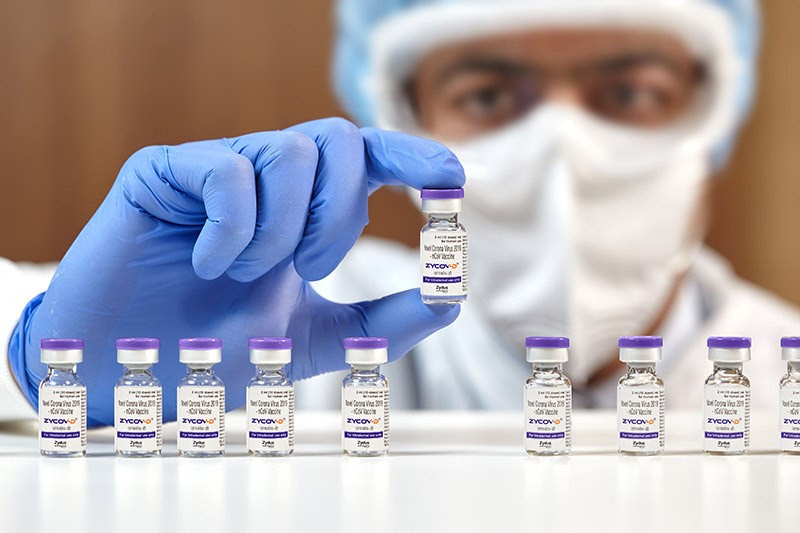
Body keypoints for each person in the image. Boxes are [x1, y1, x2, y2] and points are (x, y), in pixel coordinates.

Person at [0, 0, 793, 425]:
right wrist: (40, 367)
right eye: (485, 94)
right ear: (401, 120)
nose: (564, 148)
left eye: (629, 93)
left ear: (714, 116)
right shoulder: (278, 312)